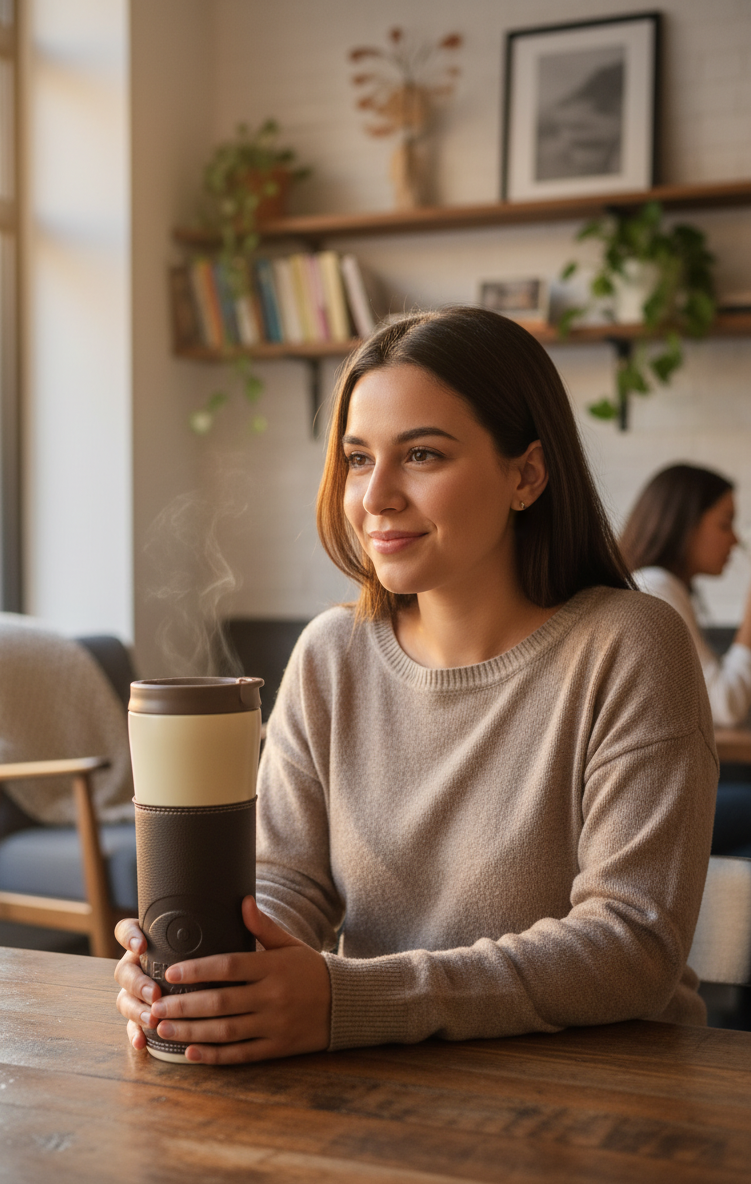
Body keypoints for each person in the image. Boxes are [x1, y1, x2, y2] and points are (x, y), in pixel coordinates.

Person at [114, 307, 717, 1065]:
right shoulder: (332, 653)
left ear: (526, 473)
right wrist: (218, 964)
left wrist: (351, 1000)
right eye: (358, 458)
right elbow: (285, 885)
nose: (376, 498)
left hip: (604, 1096)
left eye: (423, 455)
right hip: (387, 1082)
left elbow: (631, 946)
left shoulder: (630, 645)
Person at [622, 462, 751, 857]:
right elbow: (725, 708)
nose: (736, 541)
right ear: (685, 523)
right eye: (725, 523)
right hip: (645, 813)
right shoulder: (656, 589)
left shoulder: (661, 586)